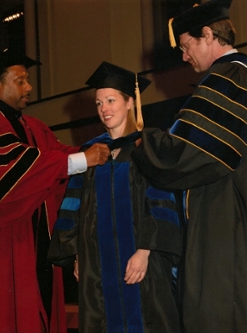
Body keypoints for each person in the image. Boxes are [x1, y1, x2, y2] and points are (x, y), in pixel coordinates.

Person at [131, 1, 247, 333]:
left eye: (186, 46)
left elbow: (187, 153)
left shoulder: (231, 76)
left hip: (226, 216)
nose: (184, 56)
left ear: (208, 34)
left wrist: (144, 142)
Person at [0, 49, 110, 333]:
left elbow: (60, 156)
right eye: (21, 80)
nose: (29, 88)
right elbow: (4, 176)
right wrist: (76, 160)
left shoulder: (33, 126)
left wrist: (107, 151)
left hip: (34, 243)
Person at [48, 61, 184, 333]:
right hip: (97, 266)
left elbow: (162, 203)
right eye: (99, 103)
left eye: (111, 100)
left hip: (141, 260)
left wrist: (145, 251)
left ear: (130, 102)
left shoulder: (147, 146)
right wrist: (76, 255)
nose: (104, 109)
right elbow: (73, 207)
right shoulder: (91, 153)